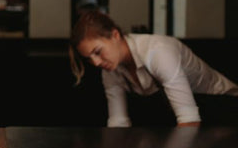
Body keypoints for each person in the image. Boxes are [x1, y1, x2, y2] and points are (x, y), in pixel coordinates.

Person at [69, 9, 238, 127]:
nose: (96, 63)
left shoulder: (157, 52)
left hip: (226, 109)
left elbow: (189, 120)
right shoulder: (111, 71)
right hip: (189, 120)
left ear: (115, 35)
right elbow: (118, 122)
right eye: (89, 59)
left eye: (97, 52)